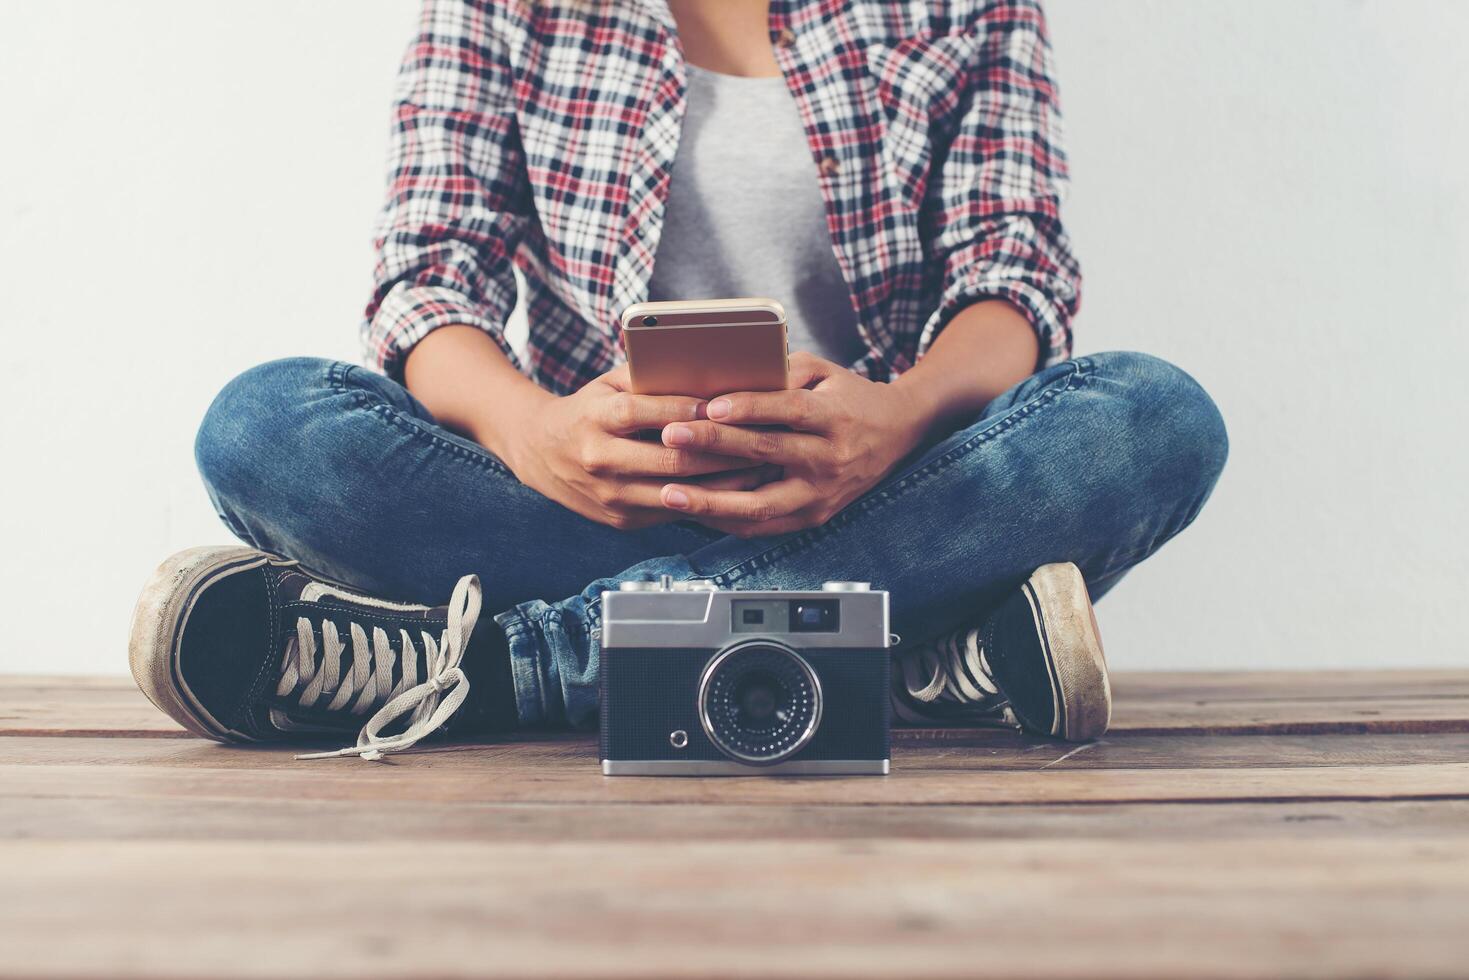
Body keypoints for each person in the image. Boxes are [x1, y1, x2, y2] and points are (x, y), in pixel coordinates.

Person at [128, 0, 1227, 759]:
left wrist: (892, 419)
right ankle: (910, 656)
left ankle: (518, 666)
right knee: (265, 425)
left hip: (878, 493)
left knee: (1149, 418)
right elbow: (428, 277)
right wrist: (530, 431)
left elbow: (1012, 268)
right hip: (578, 500)